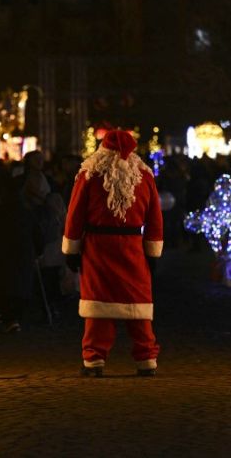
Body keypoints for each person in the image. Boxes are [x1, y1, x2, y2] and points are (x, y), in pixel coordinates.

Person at [62, 130, 163, 377]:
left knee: (99, 304)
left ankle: (94, 359)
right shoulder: (144, 176)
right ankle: (146, 357)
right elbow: (155, 218)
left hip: (98, 247)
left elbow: (75, 214)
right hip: (133, 247)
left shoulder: (89, 174)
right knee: (136, 302)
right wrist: (153, 252)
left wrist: (71, 248)